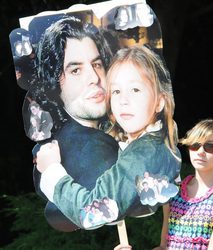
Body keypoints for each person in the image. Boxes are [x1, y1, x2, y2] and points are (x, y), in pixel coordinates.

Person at [36, 45, 181, 230]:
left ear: (160, 101)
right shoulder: (147, 140)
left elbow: (90, 214)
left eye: (135, 90)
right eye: (116, 91)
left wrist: (51, 170)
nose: (123, 101)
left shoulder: (145, 154)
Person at [31, 15, 119, 232]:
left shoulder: (111, 131)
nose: (94, 78)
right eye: (75, 70)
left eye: (97, 64)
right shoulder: (90, 147)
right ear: (54, 84)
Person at [153, 119, 213, 250]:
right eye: (195, 145)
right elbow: (163, 247)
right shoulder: (173, 191)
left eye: (210, 146)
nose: (200, 152)